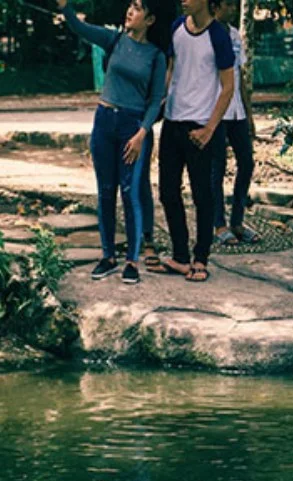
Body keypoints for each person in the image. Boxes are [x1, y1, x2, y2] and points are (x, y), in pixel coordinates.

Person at [58, 0, 166, 285]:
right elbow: (79, 27)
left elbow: (156, 101)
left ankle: (132, 261)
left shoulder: (156, 56)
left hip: (133, 128)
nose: (130, 11)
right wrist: (65, 7)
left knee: (130, 193)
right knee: (105, 191)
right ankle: (107, 257)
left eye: (138, 8)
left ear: (150, 19)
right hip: (104, 121)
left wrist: (142, 134)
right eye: (130, 5)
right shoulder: (114, 40)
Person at [150, 0, 236, 282]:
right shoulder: (177, 27)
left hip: (200, 126)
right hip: (173, 122)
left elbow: (228, 88)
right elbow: (172, 68)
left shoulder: (218, 36)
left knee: (203, 196)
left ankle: (201, 258)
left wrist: (210, 129)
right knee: (167, 192)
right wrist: (160, 100)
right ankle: (180, 256)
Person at [210, 0, 257, 246]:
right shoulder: (207, 34)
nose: (233, 9)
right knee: (217, 168)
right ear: (216, 7)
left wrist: (249, 115)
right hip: (217, 112)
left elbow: (240, 76)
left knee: (247, 162)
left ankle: (237, 220)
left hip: (237, 110)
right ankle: (219, 224)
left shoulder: (236, 35)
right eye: (228, 4)